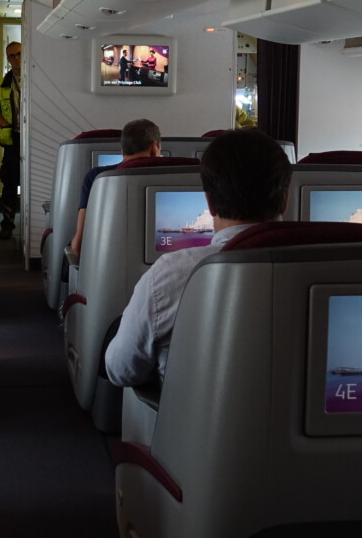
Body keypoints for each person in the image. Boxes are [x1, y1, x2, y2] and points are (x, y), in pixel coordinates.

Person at [104, 128, 290, 387]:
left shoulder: (170, 273)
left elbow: (121, 370)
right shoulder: (329, 265)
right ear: (285, 200)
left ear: (210, 204)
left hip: (185, 423)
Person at [69, 118, 161, 257]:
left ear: (122, 151)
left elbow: (79, 247)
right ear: (154, 148)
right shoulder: (173, 175)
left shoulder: (95, 177)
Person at [0, 41, 22, 239]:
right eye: (12, 55)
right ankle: (7, 224)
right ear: (8, 59)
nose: (16, 58)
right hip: (14, 139)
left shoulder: (36, 77)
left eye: (19, 54)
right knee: (9, 181)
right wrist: (6, 126)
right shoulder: (3, 83)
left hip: (34, 137)